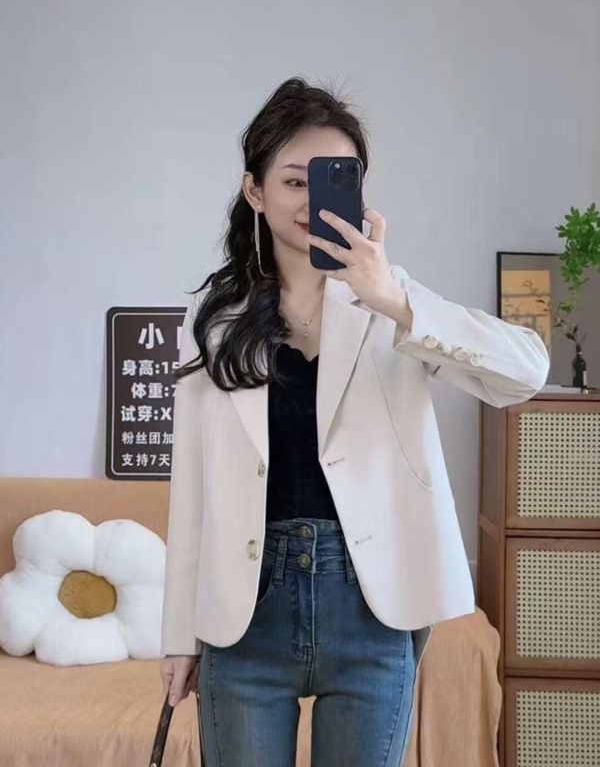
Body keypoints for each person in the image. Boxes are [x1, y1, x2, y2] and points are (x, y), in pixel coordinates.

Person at [159, 76, 550, 767]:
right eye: (293, 181)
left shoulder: (395, 305)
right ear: (255, 192)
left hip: (371, 605)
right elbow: (192, 490)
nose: (312, 201)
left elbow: (525, 373)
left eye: (332, 180)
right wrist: (177, 637)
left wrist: (393, 299)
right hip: (244, 611)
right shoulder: (215, 320)